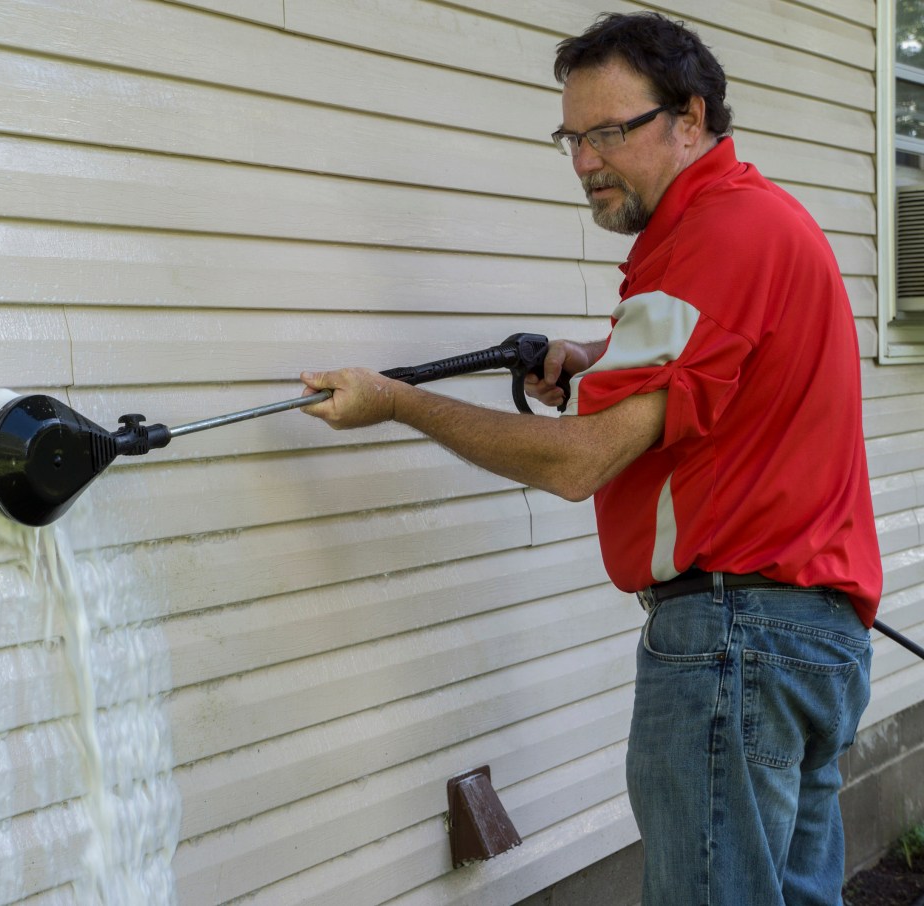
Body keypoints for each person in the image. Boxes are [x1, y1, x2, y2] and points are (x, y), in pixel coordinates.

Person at [300, 11, 881, 906]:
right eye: (571, 137)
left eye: (609, 131)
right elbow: (707, 382)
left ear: (690, 118)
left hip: (737, 642)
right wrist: (589, 358)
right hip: (808, 643)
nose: (584, 161)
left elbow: (580, 464)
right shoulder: (752, 223)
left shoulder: (711, 243)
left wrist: (400, 403)